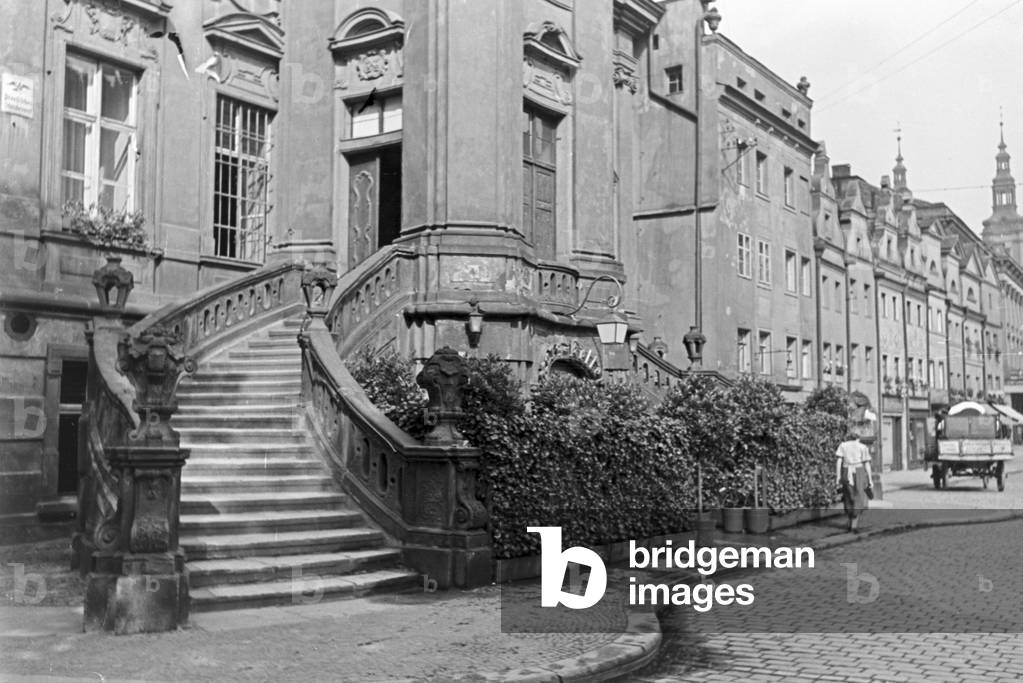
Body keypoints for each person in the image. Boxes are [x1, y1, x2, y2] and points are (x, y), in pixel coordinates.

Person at [835, 431, 873, 532]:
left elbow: (839, 461)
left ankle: (850, 521)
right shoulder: (862, 447)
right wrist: (870, 479)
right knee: (859, 496)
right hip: (858, 471)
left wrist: (838, 476)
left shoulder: (843, 445)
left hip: (846, 470)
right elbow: (866, 463)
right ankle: (854, 524)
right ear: (858, 438)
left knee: (848, 495)